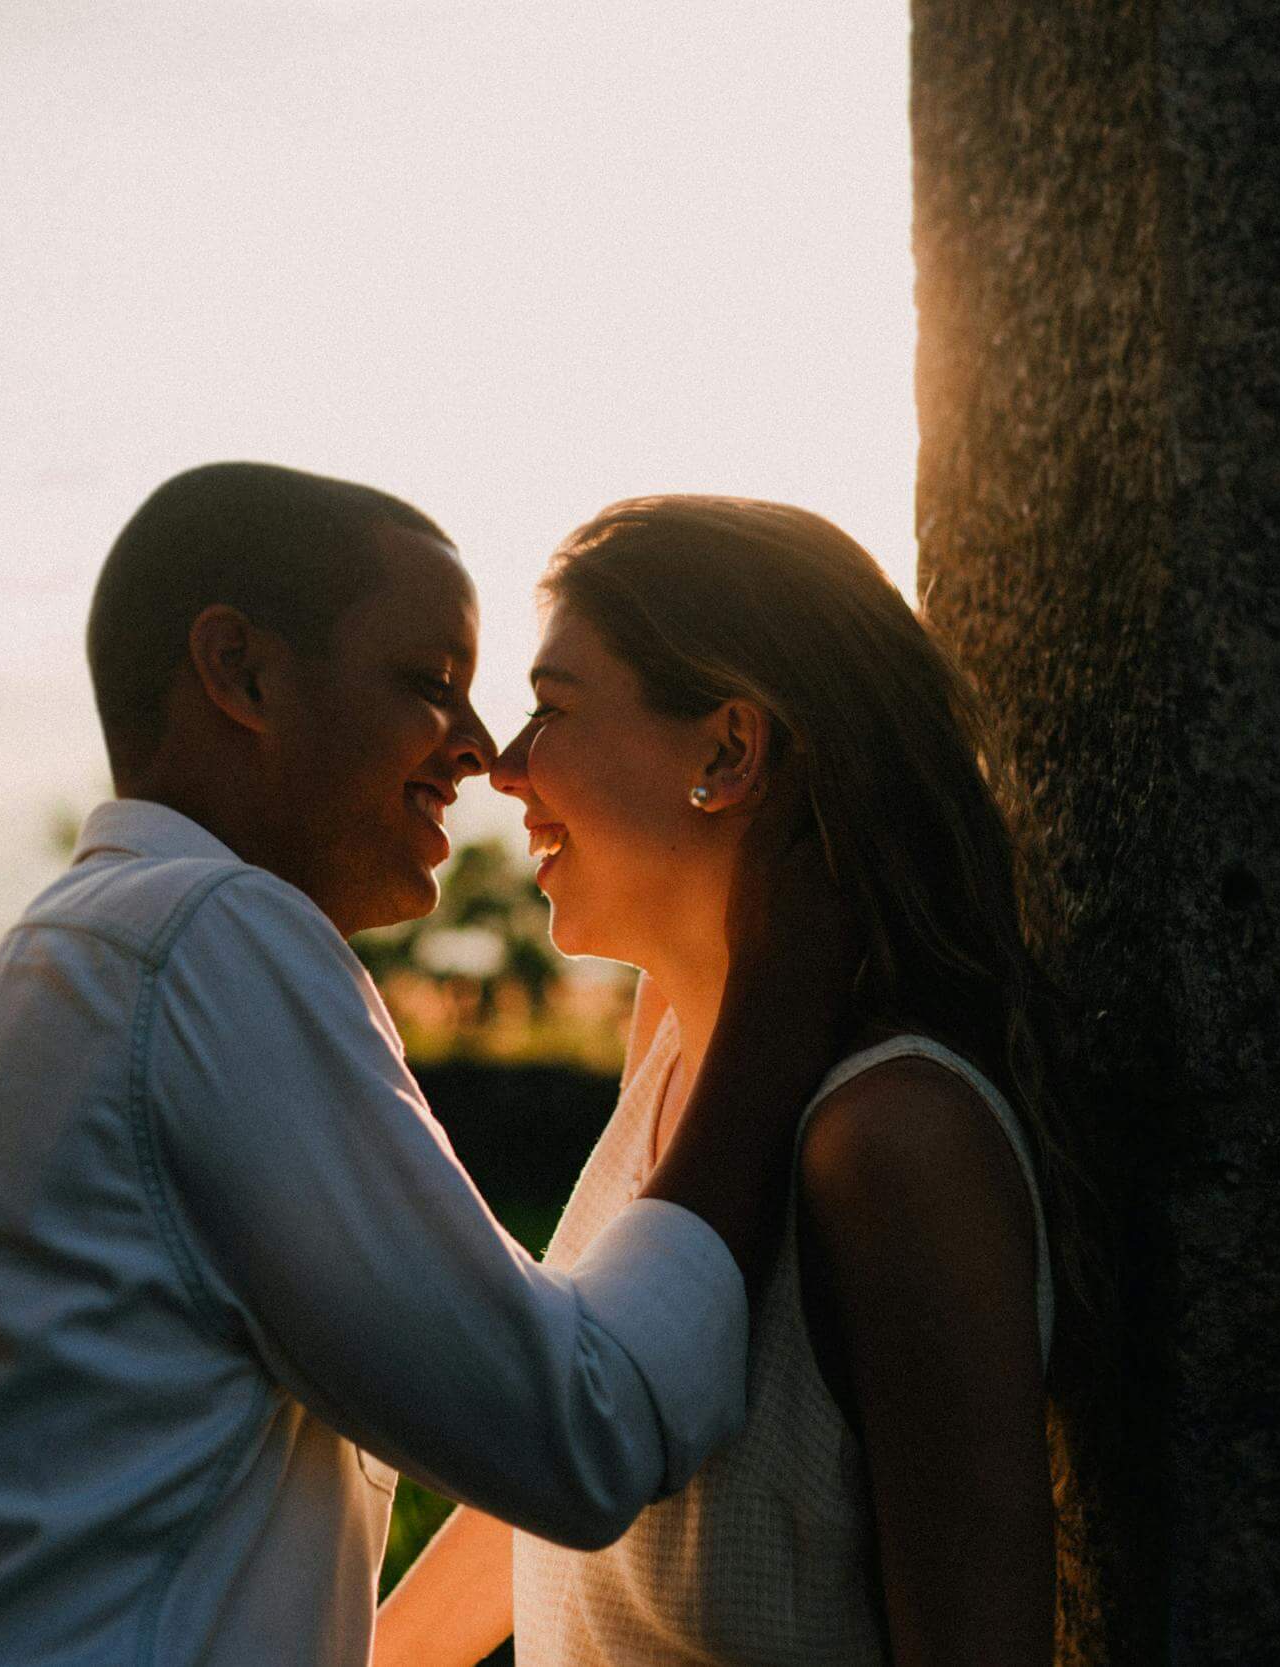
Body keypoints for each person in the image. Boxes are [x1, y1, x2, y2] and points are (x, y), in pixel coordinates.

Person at [0, 464, 853, 1667]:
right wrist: (770, 1010)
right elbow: (582, 1432)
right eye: (429, 677)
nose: (478, 747)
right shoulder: (210, 940)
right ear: (238, 669)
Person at [376, 496, 1091, 1666]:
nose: (503, 765)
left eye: (551, 708)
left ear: (727, 750)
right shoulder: (673, 1045)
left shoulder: (894, 1140)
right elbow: (562, 1486)